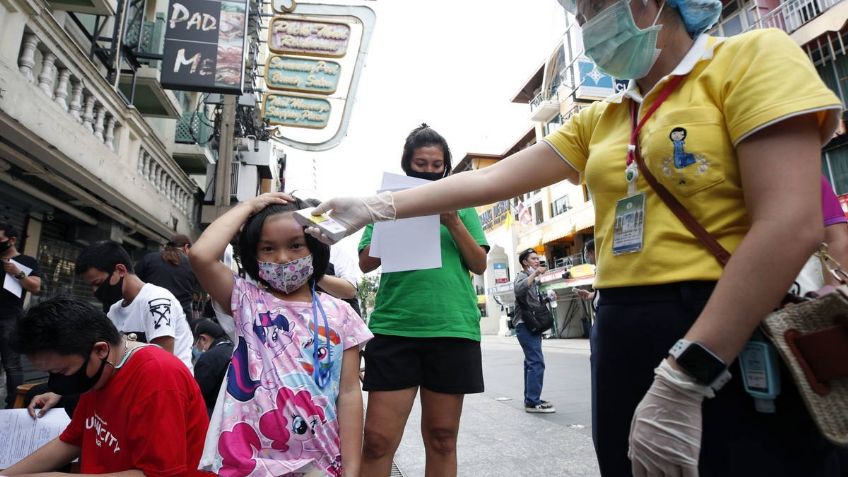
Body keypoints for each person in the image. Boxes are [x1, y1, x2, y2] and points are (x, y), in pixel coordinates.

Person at [310, 4, 844, 475]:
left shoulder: (750, 57)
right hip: (621, 324)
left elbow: (791, 223)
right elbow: (490, 180)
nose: (587, 27)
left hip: (725, 321)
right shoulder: (603, 118)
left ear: (651, 3)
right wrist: (377, 205)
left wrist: (689, 372)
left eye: (592, 9)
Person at [189, 193, 372, 476]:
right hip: (248, 462)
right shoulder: (244, 301)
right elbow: (201, 255)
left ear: (316, 247)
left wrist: (351, 468)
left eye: (296, 245)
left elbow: (349, 393)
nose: (283, 258)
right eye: (268, 248)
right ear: (253, 255)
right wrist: (248, 207)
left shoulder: (342, 314)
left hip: (320, 461)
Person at [356, 124, 489, 477]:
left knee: (443, 438)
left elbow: (478, 263)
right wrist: (391, 217)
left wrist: (453, 222)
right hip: (395, 328)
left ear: (445, 167)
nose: (428, 171)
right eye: (420, 163)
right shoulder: (388, 201)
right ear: (407, 165)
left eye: (436, 165)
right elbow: (366, 262)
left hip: (451, 328)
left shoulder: (462, 204)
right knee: (377, 441)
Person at [4, 297, 209, 476]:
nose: (56, 382)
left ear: (100, 350)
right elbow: (72, 440)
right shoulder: (100, 371)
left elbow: (158, 474)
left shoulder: (158, 377)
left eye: (62, 371)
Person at [28, 240, 196, 417]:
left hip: (167, 390)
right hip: (130, 384)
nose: (95, 291)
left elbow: (163, 363)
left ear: (120, 270)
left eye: (98, 283)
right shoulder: (115, 311)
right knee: (46, 395)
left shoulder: (157, 301)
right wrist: (60, 392)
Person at [0, 222, 41, 408]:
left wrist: (18, 273)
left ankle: (13, 406)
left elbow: (36, 287)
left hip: (9, 317)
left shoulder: (26, 262)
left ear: (12, 240)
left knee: (11, 364)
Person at [513, 249, 556, 413]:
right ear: (525, 262)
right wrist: (536, 274)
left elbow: (533, 303)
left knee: (531, 362)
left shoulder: (534, 279)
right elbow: (518, 290)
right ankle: (532, 401)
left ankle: (531, 398)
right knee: (536, 362)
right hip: (524, 325)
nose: (537, 261)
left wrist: (547, 298)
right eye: (533, 259)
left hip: (532, 324)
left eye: (538, 258)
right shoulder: (523, 276)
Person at [135, 234, 200, 326]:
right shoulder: (193, 265)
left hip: (148, 314)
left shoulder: (150, 258)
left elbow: (134, 281)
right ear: (186, 247)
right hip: (180, 318)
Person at [192, 318, 234, 416]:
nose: (195, 348)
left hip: (213, 414)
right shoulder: (232, 349)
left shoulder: (208, 359)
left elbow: (198, 396)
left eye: (195, 343)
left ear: (203, 339)